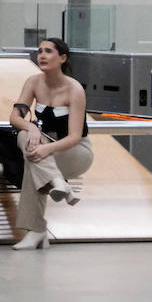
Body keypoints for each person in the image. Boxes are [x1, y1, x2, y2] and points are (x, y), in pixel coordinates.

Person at [9, 37, 92, 250]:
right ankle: (57, 184)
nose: (42, 55)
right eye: (39, 51)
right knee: (24, 138)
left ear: (62, 58)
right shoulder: (33, 82)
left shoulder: (75, 90)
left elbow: (74, 136)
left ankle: (36, 231)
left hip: (74, 150)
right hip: (42, 145)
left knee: (34, 156)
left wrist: (46, 147)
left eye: (48, 51)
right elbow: (15, 118)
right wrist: (33, 128)